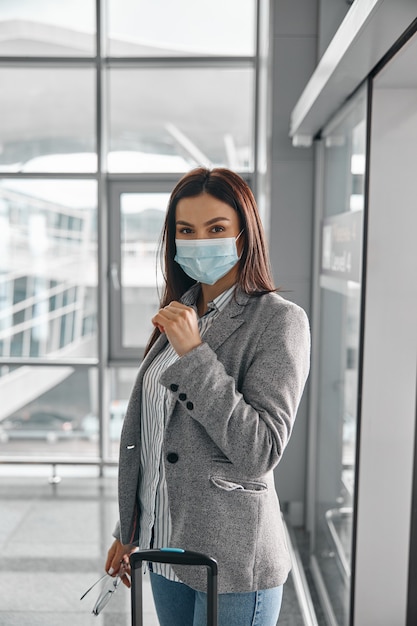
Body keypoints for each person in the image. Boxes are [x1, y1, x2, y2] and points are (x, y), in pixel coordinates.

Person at [105, 167, 310, 626]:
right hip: (166, 546)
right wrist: (130, 529)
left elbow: (260, 450)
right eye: (186, 230)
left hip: (234, 562)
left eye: (216, 228)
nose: (200, 241)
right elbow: (156, 440)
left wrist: (194, 353)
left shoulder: (279, 321)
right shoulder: (179, 313)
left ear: (244, 233)